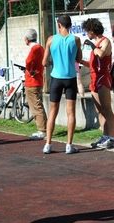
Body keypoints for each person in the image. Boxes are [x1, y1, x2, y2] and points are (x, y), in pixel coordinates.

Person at [42, 14, 82, 154]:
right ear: (70, 25)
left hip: (56, 79)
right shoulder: (76, 40)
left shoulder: (51, 40)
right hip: (70, 78)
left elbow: (43, 63)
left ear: (59, 25)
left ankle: (48, 144)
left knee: (53, 112)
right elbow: (79, 59)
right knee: (71, 113)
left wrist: (53, 61)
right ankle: (69, 145)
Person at [81, 18, 114, 148]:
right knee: (99, 110)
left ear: (92, 30)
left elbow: (100, 54)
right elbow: (94, 64)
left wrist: (92, 45)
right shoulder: (95, 44)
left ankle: (112, 137)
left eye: (87, 31)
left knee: (107, 109)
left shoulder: (105, 41)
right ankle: (105, 136)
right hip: (94, 77)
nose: (86, 34)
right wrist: (82, 62)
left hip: (103, 77)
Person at [24, 29, 47, 141]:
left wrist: (29, 70)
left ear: (27, 39)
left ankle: (42, 130)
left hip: (32, 81)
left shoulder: (34, 48)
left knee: (35, 106)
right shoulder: (41, 48)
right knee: (38, 104)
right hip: (38, 80)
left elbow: (28, 62)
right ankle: (44, 128)